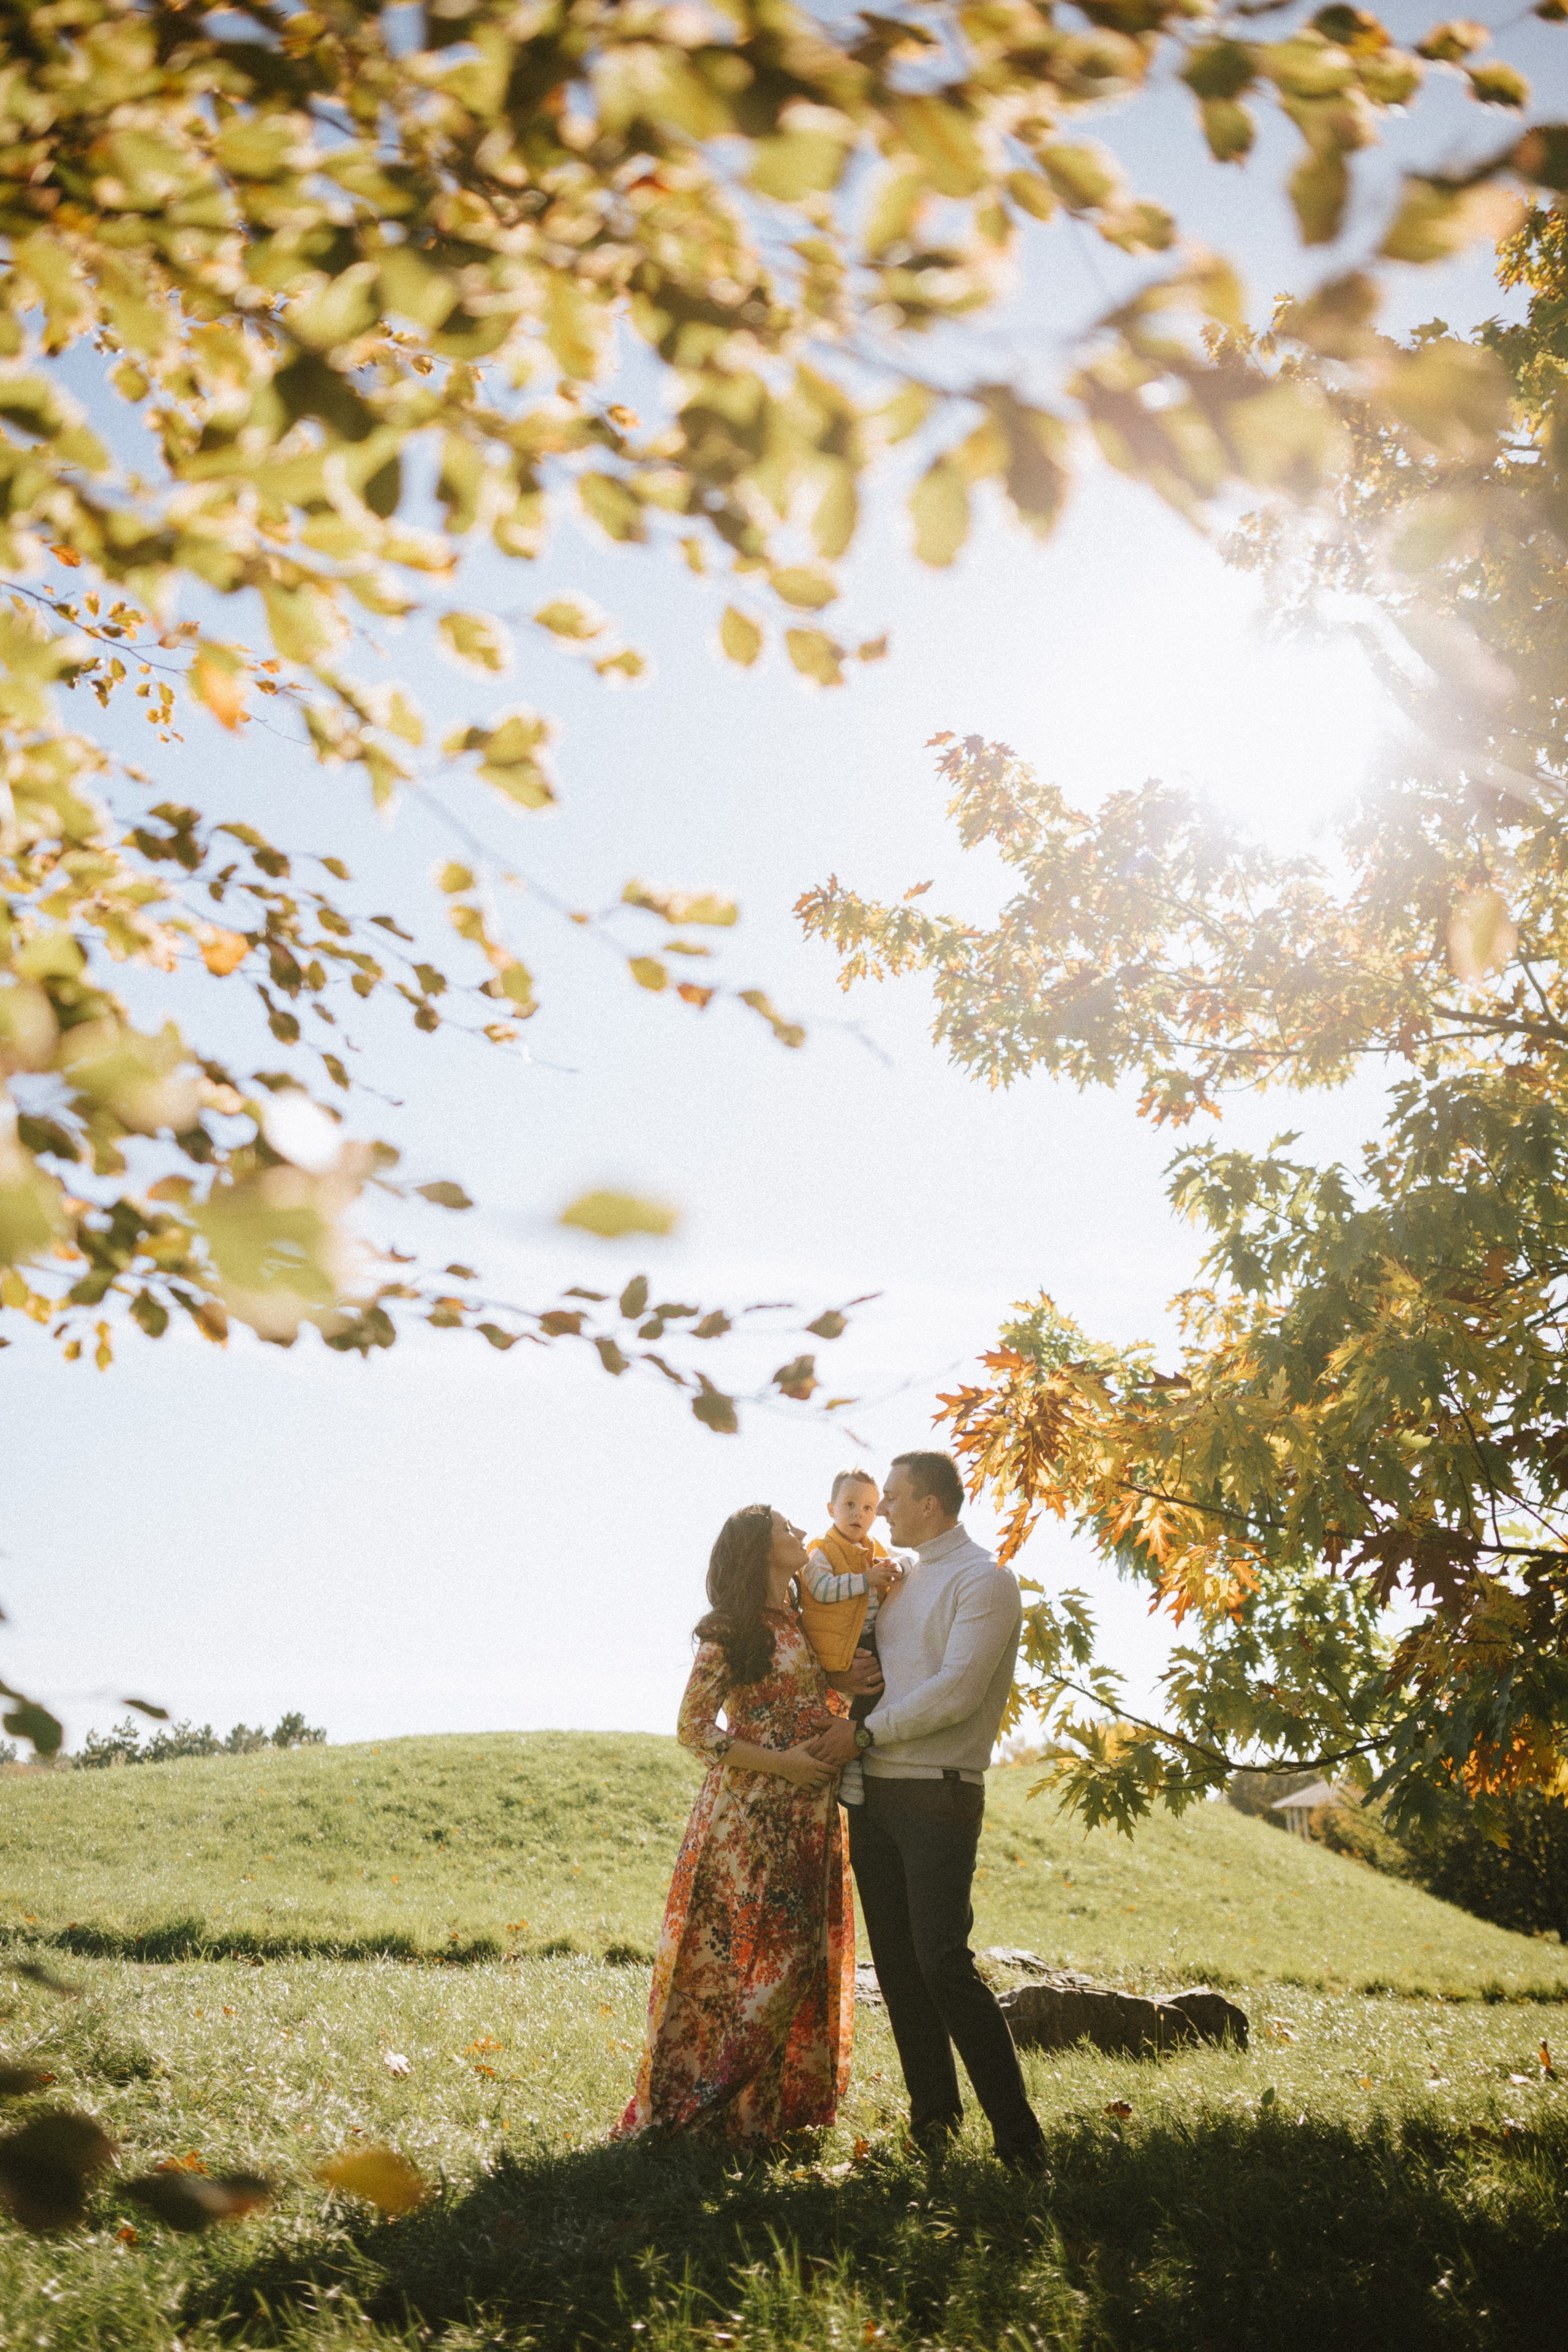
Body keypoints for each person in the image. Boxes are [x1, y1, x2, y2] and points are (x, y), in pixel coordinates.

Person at [805, 1449, 1048, 2173]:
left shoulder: (985, 1579)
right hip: (869, 1794)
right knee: (901, 1972)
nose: (881, 1511)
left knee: (943, 1962)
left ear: (933, 1505)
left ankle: (1020, 2143)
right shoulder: (897, 1579)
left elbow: (956, 1692)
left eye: (895, 1499)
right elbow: (858, 1656)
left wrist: (867, 1732)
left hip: (937, 1792)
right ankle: (934, 2127)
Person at [616, 1502, 870, 2145]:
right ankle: (697, 2109)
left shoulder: (805, 1626)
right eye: (786, 1527)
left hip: (809, 1816)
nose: (801, 1533)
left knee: (800, 1958)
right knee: (748, 1964)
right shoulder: (731, 1629)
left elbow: (811, 1704)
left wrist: (847, 1696)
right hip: (748, 1821)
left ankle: (765, 2118)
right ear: (758, 1549)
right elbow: (693, 1730)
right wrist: (783, 1765)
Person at [799, 1468, 903, 1808]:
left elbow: (890, 1575)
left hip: (871, 1638)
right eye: (849, 1504)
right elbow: (822, 1589)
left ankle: (865, 1760)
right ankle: (853, 1767)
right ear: (832, 1509)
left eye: (869, 1508)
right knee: (862, 1698)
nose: (859, 1513)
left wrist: (894, 1570)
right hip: (841, 1643)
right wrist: (868, 1578)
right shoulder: (821, 1551)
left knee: (875, 1694)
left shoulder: (875, 1551)